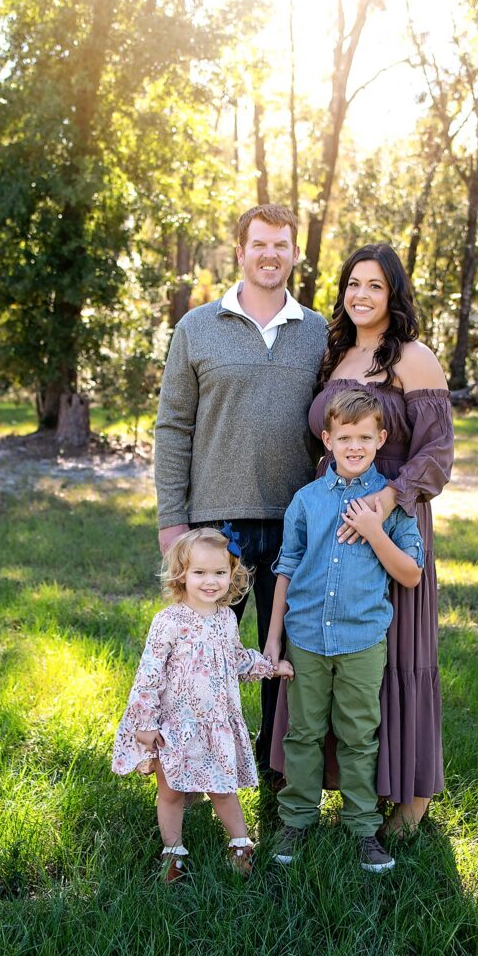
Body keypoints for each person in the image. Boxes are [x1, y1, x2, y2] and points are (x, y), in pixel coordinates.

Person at [270, 242, 454, 839]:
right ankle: (317, 793)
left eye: (375, 285)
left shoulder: (415, 358)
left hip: (391, 517)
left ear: (393, 293)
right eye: (353, 283)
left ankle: (409, 798)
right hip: (329, 522)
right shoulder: (339, 357)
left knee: (396, 654)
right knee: (328, 650)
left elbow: (438, 452)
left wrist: (389, 499)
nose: (361, 295)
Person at [153, 204, 327, 778]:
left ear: (294, 253)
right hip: (214, 527)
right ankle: (193, 770)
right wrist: (172, 521)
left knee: (286, 658)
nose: (270, 255)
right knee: (203, 658)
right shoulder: (196, 328)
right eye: (259, 244)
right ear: (240, 252)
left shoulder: (321, 334)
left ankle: (277, 771)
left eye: (281, 245)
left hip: (295, 520)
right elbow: (173, 427)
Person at [263, 388, 424, 871]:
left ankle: (363, 829)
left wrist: (375, 530)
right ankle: (295, 820)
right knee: (305, 732)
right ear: (327, 439)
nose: (355, 446)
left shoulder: (391, 505)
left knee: (358, 736)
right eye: (345, 437)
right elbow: (286, 567)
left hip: (361, 640)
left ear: (381, 439)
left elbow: (412, 574)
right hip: (306, 638)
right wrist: (273, 637)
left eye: (365, 437)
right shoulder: (306, 501)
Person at [111, 527, 294, 881]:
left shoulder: (226, 618)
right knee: (172, 792)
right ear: (182, 574)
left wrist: (271, 667)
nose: (210, 581)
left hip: (216, 723)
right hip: (175, 726)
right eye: (200, 573)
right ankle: (173, 853)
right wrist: (145, 723)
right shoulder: (168, 622)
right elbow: (148, 675)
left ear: (232, 574)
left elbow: (236, 660)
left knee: (223, 789)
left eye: (219, 573)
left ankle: (240, 845)